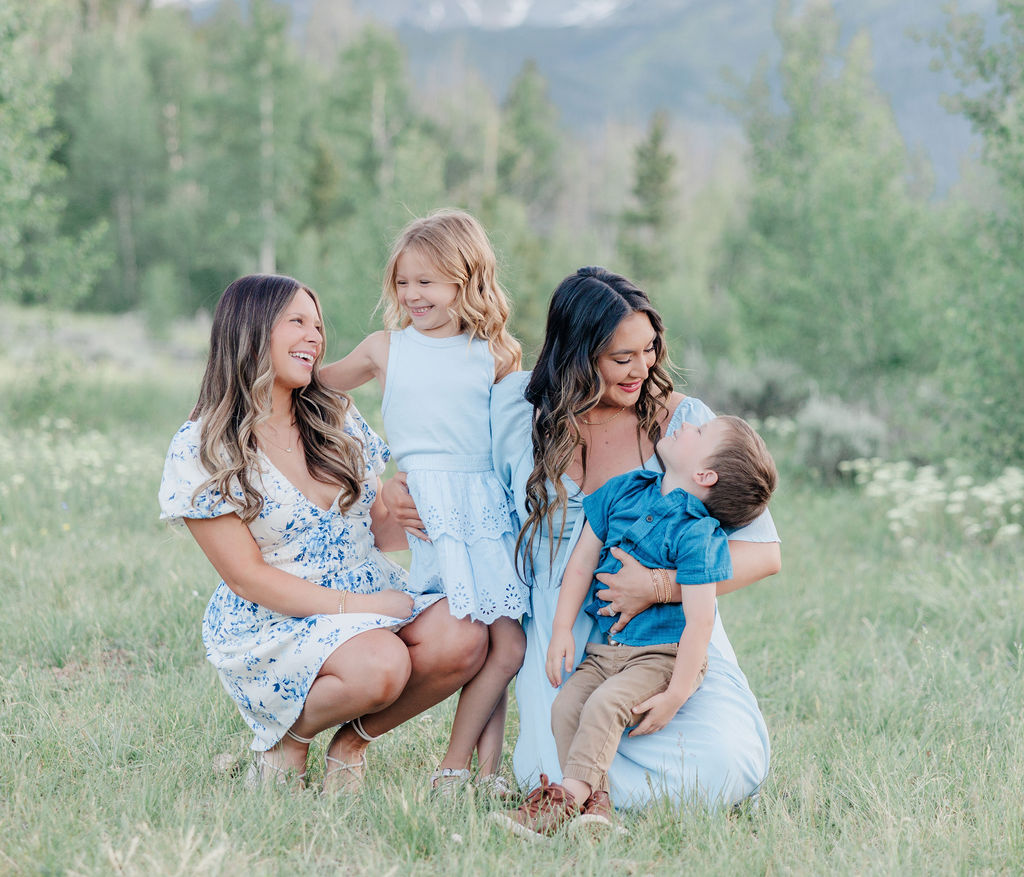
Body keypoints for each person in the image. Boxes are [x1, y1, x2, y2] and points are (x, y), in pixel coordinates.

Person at [384, 266, 781, 811]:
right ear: (576, 355)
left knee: (723, 765)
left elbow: (764, 555)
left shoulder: (686, 427)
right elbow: (447, 468)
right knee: (546, 766)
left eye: (649, 350)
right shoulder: (513, 408)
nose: (642, 369)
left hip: (661, 638)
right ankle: (587, 799)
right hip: (561, 636)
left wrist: (657, 586)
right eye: (623, 358)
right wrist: (398, 495)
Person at [158, 274, 487, 793]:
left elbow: (376, 528)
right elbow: (247, 578)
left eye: (317, 324)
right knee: (382, 665)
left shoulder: (333, 413)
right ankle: (287, 740)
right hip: (275, 615)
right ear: (250, 330)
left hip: (366, 588)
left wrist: (402, 505)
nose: (315, 336)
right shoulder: (203, 446)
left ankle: (351, 743)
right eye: (296, 322)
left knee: (466, 632)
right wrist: (361, 609)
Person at [320, 210, 528, 796]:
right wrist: (371, 471)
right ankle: (453, 770)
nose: (412, 295)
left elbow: (510, 437)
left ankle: (479, 773)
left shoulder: (494, 353)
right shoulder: (386, 349)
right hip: (429, 509)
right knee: (473, 636)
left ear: (466, 281)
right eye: (403, 282)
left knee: (506, 644)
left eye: (427, 282)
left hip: (487, 508)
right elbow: (314, 388)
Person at [495, 414, 778, 837]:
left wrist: (677, 693)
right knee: (566, 706)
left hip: (660, 655)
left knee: (606, 704)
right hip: (607, 650)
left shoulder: (699, 535)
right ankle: (597, 806)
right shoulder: (623, 491)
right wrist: (559, 629)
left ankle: (559, 804)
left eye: (699, 433)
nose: (688, 425)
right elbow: (581, 563)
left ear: (704, 474)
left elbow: (700, 622)